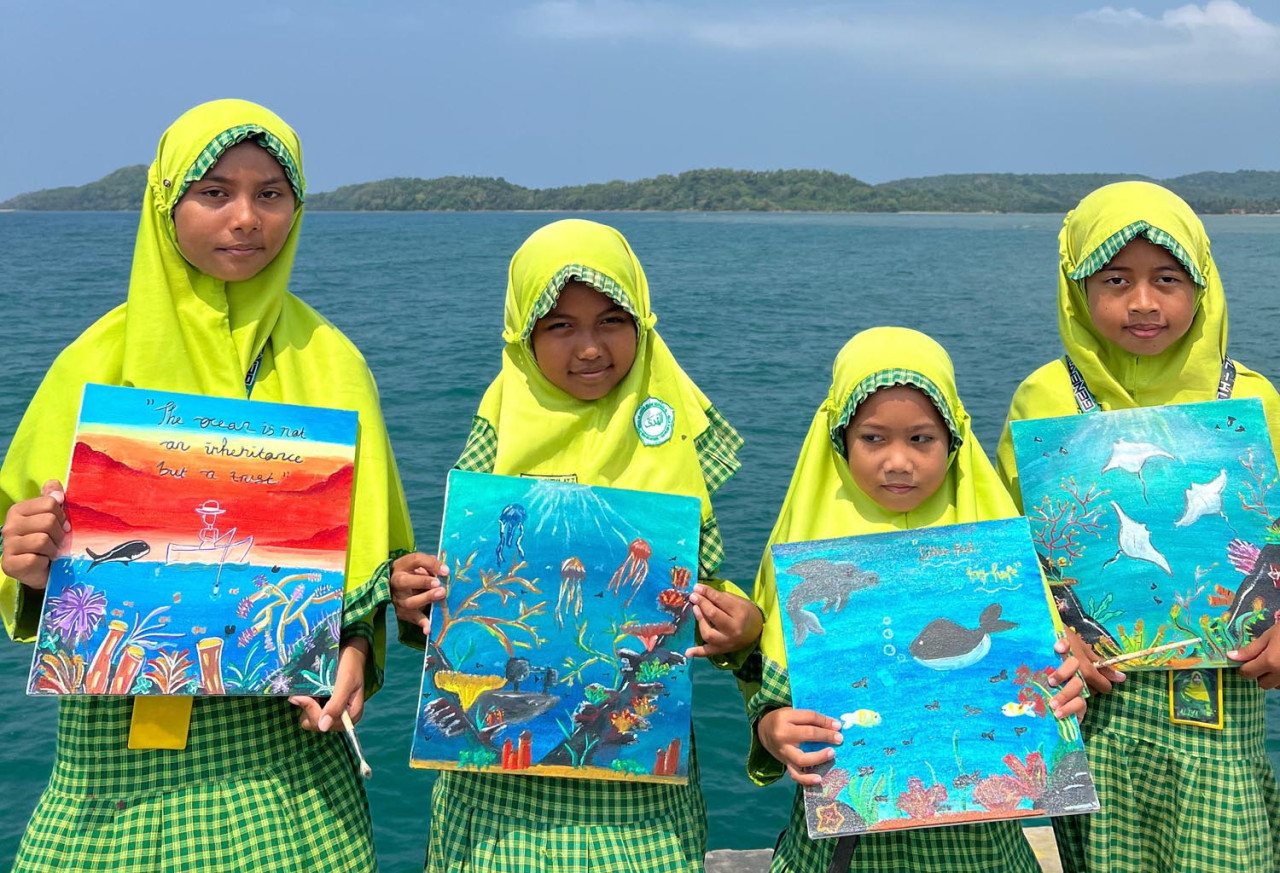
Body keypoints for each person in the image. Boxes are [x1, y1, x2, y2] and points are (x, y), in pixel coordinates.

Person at [0, 99, 412, 872]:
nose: (247, 218)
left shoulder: (335, 364)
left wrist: (355, 652)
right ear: (166, 204)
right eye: (215, 192)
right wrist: (23, 556)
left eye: (271, 194)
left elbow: (372, 565)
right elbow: (23, 551)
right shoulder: (92, 364)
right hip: (118, 759)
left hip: (286, 767)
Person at [390, 217, 760, 872]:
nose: (590, 347)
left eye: (613, 320)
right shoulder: (496, 435)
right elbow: (458, 593)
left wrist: (741, 627)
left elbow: (703, 592)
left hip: (638, 793)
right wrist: (418, 596)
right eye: (559, 325)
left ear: (643, 324)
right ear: (522, 335)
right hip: (498, 798)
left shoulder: (668, 440)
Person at [996, 180, 1280, 872]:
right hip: (1096, 713)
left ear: (1202, 286)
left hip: (1220, 713)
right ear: (1076, 288)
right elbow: (1002, 544)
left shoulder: (1251, 397)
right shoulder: (1043, 399)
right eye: (1116, 279)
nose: (1144, 302)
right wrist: (1047, 632)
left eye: (1169, 279)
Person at [745, 327, 1085, 872]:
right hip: (841, 856)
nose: (898, 461)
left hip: (983, 854)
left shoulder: (997, 555)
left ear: (953, 440)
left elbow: (1042, 684)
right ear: (839, 441)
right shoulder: (804, 556)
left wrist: (1066, 699)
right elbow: (770, 698)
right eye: (874, 439)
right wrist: (772, 729)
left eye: (922, 439)